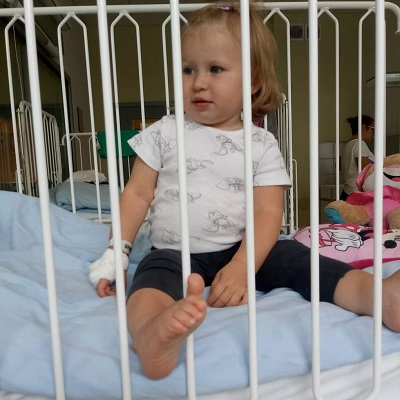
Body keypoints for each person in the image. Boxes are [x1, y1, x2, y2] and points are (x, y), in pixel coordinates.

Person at [89, 2, 400, 381]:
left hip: (245, 249)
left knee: (301, 260)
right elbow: (136, 195)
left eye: (215, 69)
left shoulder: (261, 144)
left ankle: (378, 296)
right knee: (148, 281)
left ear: (252, 82)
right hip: (174, 251)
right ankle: (151, 335)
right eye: (188, 69)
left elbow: (268, 213)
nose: (198, 82)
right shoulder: (163, 133)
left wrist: (241, 268)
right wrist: (115, 253)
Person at [340, 114, 375, 201]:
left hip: (347, 192)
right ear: (363, 127)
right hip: (357, 195)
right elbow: (365, 171)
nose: (373, 133)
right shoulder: (359, 144)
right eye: (372, 129)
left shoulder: (347, 145)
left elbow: (339, 166)